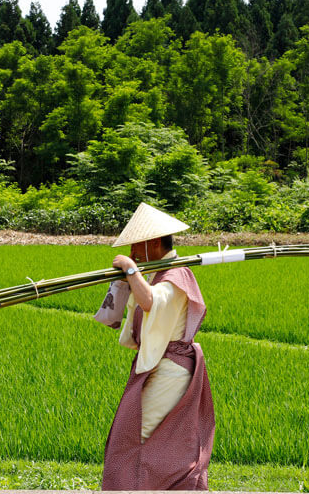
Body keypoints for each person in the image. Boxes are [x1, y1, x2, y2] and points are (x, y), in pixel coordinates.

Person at [94, 202, 214, 491]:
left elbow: (150, 302)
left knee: (137, 434)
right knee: (140, 434)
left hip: (171, 371)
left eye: (137, 245)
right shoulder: (158, 272)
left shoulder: (176, 274)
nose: (134, 251)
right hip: (163, 368)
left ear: (154, 242)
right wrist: (128, 278)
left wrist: (130, 268)